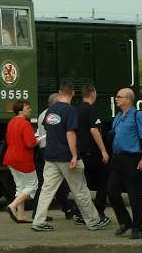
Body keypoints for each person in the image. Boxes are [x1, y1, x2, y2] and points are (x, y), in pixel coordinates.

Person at [31, 83, 110, 232]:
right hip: (66, 157)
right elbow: (70, 133)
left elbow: (47, 128)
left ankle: (38, 221)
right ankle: (93, 221)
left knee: (47, 190)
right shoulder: (70, 110)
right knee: (80, 190)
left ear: (60, 92)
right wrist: (74, 155)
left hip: (50, 156)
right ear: (72, 93)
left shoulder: (51, 110)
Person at [107, 87, 142, 240]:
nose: (116, 99)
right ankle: (126, 222)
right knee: (111, 191)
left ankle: (137, 227)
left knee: (134, 195)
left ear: (128, 99)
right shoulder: (119, 116)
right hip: (117, 159)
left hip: (132, 159)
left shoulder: (138, 115)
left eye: (119, 96)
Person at [32, 93, 77, 221]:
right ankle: (67, 208)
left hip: (45, 149)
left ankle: (67, 207)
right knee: (49, 184)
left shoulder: (43, 114)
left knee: (54, 183)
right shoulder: (53, 115)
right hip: (53, 149)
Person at [76, 85, 109, 224]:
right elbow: (94, 130)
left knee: (83, 184)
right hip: (92, 151)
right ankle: (99, 212)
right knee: (103, 182)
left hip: (81, 152)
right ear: (92, 94)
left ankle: (80, 214)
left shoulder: (76, 109)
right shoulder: (91, 109)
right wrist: (103, 150)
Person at [3, 99, 39, 223]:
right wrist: (37, 141)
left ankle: (21, 215)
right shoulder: (25, 123)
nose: (30, 110)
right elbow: (30, 143)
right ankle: (12, 205)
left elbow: (8, 140)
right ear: (21, 110)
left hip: (10, 157)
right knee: (33, 186)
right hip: (23, 159)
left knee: (21, 187)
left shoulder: (11, 122)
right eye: (28, 108)